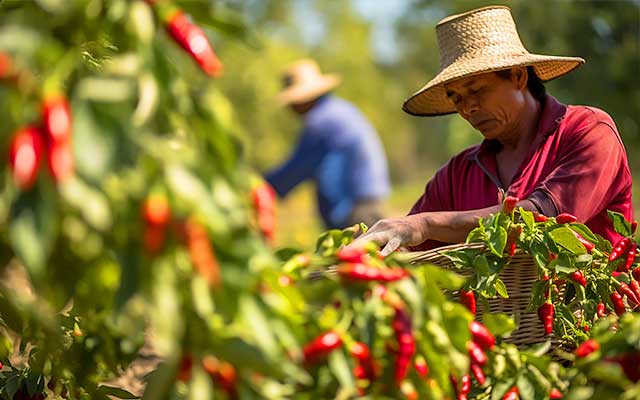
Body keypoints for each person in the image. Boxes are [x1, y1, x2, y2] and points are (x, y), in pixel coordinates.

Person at [352, 5, 633, 255]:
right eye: (457, 98)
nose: (467, 108)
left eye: (477, 90)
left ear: (518, 76)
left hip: (591, 314)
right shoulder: (457, 174)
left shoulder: (588, 131)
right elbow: (405, 243)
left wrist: (425, 224)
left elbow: (546, 217)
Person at [265, 59, 390, 230]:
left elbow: (298, 168)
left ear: (304, 99)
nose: (291, 108)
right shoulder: (339, 110)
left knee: (356, 253)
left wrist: (262, 185)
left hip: (355, 208)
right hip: (368, 200)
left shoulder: (321, 121)